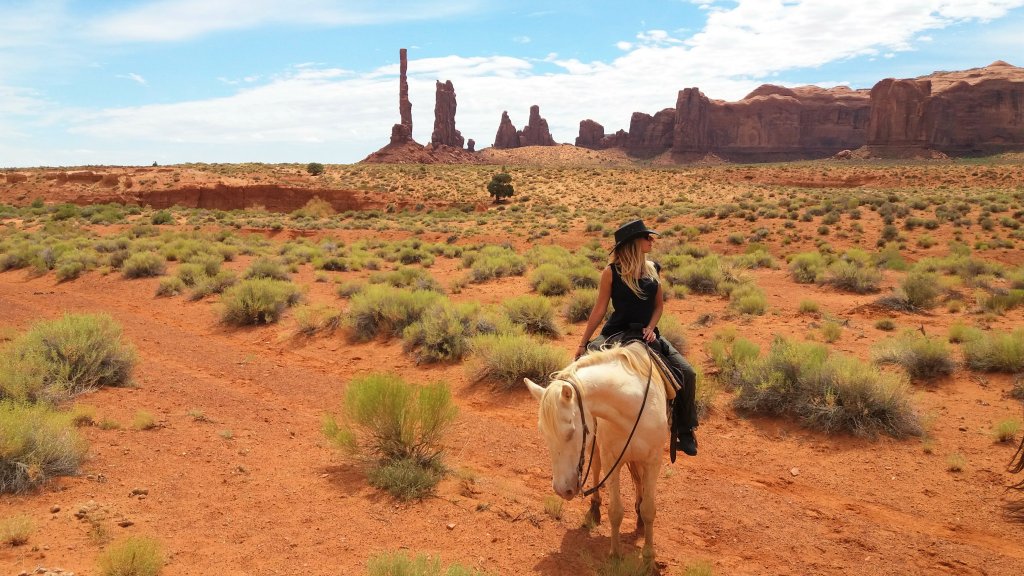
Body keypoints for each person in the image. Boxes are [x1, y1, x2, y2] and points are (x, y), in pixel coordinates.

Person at [576, 219, 699, 458]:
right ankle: (580, 427)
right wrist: (583, 343)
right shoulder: (610, 273)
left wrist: (652, 327)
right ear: (634, 243)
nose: (652, 241)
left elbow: (658, 307)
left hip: (646, 334)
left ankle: (685, 430)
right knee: (579, 369)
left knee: (688, 373)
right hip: (616, 333)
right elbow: (600, 309)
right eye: (647, 237)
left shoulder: (653, 268)